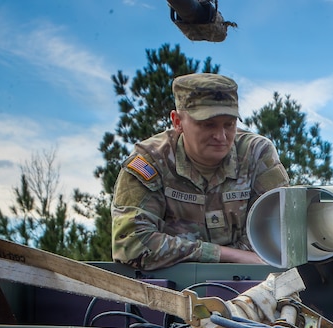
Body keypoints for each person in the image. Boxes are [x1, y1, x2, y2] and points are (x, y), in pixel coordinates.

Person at [112, 73, 289, 271]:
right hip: (167, 286)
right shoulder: (150, 161)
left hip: (248, 284)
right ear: (177, 121)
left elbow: (281, 229)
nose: (221, 136)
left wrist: (239, 262)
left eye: (229, 124)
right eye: (208, 124)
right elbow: (131, 243)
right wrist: (226, 255)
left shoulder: (256, 154)